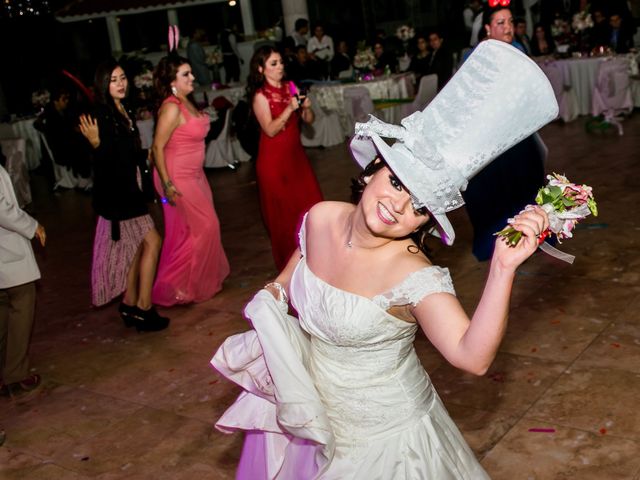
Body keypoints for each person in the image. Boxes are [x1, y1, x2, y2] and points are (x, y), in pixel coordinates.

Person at [212, 40, 558, 478]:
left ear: (425, 223)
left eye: (418, 206)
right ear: (373, 168)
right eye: (396, 182)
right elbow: (292, 271)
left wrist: (502, 268)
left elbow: (473, 358)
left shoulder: (414, 277)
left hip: (387, 445)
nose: (398, 205)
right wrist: (274, 297)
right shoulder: (319, 218)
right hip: (312, 420)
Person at [78, 60, 168, 331]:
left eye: (123, 78)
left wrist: (144, 155)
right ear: (103, 85)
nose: (121, 83)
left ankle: (130, 303)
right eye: (114, 79)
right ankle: (143, 307)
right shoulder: (102, 115)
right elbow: (103, 163)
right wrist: (96, 145)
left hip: (130, 189)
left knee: (136, 247)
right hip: (120, 195)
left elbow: (124, 154)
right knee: (153, 241)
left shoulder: (121, 109)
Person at [463, 2, 550, 261]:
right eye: (501, 23)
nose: (508, 28)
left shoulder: (520, 50)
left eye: (510, 22)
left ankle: (531, 232)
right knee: (492, 189)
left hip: (518, 134)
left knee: (527, 181)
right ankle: (499, 239)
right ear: (488, 29)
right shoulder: (476, 56)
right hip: (489, 138)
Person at [151, 53, 230, 306]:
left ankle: (184, 284)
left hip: (195, 175)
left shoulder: (185, 101)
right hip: (176, 176)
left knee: (190, 231)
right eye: (186, 74)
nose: (192, 77)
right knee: (207, 226)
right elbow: (156, 147)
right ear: (172, 81)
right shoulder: (172, 106)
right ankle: (182, 284)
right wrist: (167, 183)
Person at [248, 46, 323, 271]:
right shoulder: (260, 96)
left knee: (311, 206)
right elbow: (270, 130)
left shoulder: (291, 87)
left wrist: (307, 108)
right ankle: (292, 269)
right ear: (261, 69)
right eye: (273, 63)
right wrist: (290, 109)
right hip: (273, 162)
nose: (280, 66)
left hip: (296, 159)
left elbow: (308, 120)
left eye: (280, 62)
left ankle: (316, 258)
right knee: (284, 219)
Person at [0, 163, 45, 398]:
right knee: (22, 302)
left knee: (3, 308)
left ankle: (6, 371)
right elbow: (2, 209)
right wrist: (32, 225)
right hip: (6, 249)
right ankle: (15, 374)